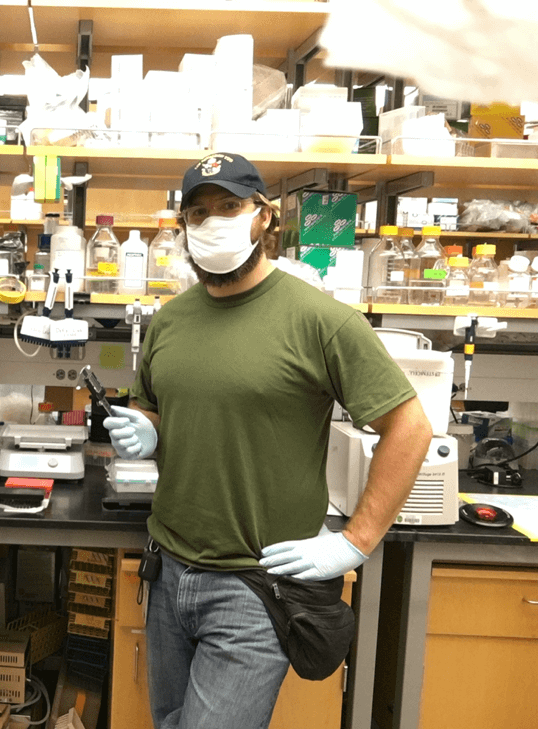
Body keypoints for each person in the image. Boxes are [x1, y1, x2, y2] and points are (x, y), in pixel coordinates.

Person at [102, 152, 433, 729]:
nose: (213, 222)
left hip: (256, 588)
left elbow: (410, 427)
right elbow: (151, 404)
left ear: (264, 217)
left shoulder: (321, 320)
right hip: (168, 570)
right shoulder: (169, 320)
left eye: (229, 206)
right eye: (198, 212)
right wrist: (145, 429)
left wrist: (355, 541)